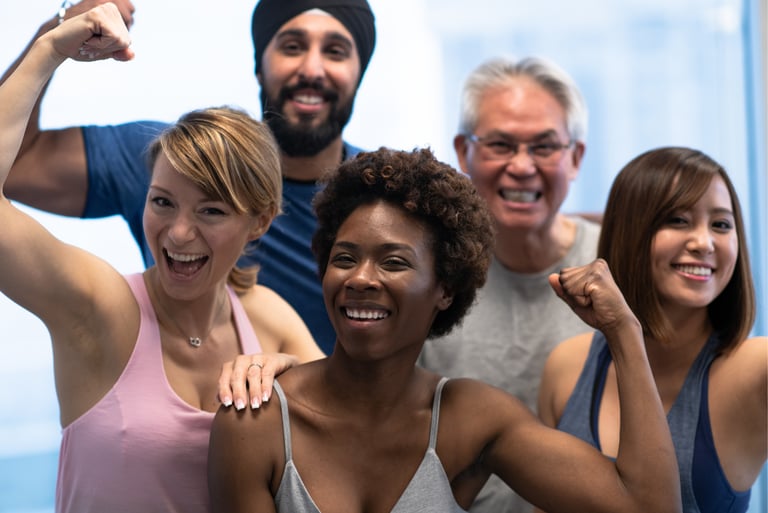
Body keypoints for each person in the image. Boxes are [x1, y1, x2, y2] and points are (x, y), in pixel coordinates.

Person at [208, 147, 683, 513]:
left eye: (393, 262)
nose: (360, 278)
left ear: (445, 290)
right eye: (344, 258)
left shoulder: (469, 418)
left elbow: (645, 505)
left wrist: (624, 331)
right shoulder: (258, 418)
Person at [0, 6, 324, 512]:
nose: (177, 232)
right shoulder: (98, 306)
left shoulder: (269, 321)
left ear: (259, 221)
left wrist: (294, 374)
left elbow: (356, 432)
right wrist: (49, 49)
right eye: (162, 202)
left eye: (211, 210)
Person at [2, 0, 377, 355]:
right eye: (292, 47)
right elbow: (15, 163)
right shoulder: (170, 160)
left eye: (335, 51)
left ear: (262, 219)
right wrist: (56, 36)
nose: (311, 69)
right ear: (259, 64)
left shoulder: (381, 202)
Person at [537, 147, 767, 513]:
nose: (704, 242)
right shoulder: (567, 363)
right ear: (630, 233)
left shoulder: (756, 366)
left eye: (721, 225)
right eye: (677, 220)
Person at [417, 56, 600, 512]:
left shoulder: (619, 269)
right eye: (500, 144)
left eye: (544, 147)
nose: (521, 167)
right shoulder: (426, 277)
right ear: (463, 152)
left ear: (575, 157)